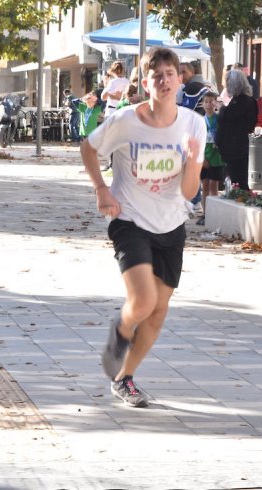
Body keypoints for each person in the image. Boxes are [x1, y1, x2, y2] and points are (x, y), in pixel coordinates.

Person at [81, 46, 205, 408]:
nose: (164, 80)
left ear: (180, 79)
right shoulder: (125, 121)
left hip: (171, 225)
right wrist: (101, 190)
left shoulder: (193, 123)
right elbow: (88, 149)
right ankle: (120, 331)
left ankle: (125, 378)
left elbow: (188, 192)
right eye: (157, 75)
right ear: (145, 82)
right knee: (144, 301)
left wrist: (193, 160)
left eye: (171, 73)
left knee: (159, 312)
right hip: (129, 220)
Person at [215, 69, 258, 191]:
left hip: (236, 147)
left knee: (238, 179)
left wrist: (221, 108)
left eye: (228, 82)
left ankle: (240, 197)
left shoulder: (241, 101)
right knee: (237, 178)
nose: (226, 85)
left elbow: (227, 116)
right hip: (237, 146)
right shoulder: (245, 101)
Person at [197, 91, 224, 226]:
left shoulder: (219, 119)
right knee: (205, 186)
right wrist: (201, 157)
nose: (208, 104)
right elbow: (196, 140)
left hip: (216, 157)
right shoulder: (200, 121)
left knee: (214, 186)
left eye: (211, 101)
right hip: (204, 157)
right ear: (202, 104)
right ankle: (205, 213)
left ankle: (214, 213)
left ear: (215, 103)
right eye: (206, 101)